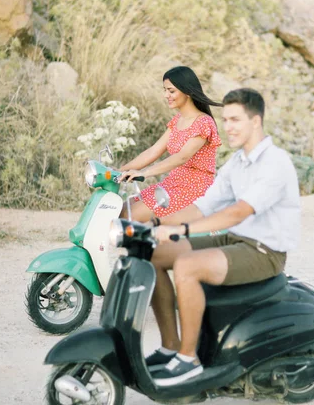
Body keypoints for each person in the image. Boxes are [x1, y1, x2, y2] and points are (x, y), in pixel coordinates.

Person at [146, 88, 300, 387]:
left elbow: (237, 213)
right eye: (225, 119)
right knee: (155, 253)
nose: (227, 126)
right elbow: (203, 206)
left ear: (256, 122)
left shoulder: (275, 163)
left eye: (235, 120)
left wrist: (182, 231)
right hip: (234, 240)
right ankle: (170, 347)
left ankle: (189, 361)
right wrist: (152, 223)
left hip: (264, 252)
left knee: (187, 266)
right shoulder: (238, 163)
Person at [117, 66, 222, 224]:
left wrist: (144, 173)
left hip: (193, 190)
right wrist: (119, 171)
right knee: (122, 209)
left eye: (171, 91)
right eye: (165, 90)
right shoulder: (177, 120)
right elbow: (153, 151)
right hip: (173, 184)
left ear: (187, 91)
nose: (166, 95)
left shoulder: (204, 122)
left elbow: (182, 157)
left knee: (132, 215)